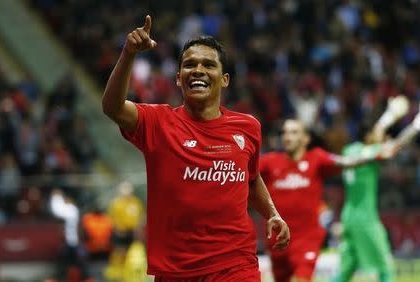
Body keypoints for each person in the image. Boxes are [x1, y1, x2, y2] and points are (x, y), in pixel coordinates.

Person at [101, 15, 290, 281]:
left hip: (235, 264)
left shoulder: (248, 127)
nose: (198, 69)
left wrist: (272, 213)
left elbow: (251, 177)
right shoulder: (158, 122)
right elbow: (112, 107)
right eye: (190, 65)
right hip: (176, 271)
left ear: (224, 79)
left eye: (208, 65)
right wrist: (129, 54)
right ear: (179, 79)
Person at [259, 118, 396, 282]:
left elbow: (346, 162)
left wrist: (376, 154)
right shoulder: (269, 162)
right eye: (285, 132)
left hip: (306, 239)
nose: (287, 137)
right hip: (277, 240)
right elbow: (246, 175)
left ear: (306, 139)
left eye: (294, 132)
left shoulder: (317, 159)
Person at [334, 97, 420, 282]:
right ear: (369, 137)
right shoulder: (370, 153)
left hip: (348, 218)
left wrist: (389, 116)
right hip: (366, 219)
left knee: (346, 272)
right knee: (386, 270)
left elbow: (372, 134)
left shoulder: (349, 150)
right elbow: (396, 145)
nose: (383, 136)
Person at [45, 189, 93, 282]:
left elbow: (57, 210)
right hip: (70, 242)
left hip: (74, 242)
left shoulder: (71, 209)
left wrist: (56, 197)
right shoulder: (71, 209)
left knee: (78, 261)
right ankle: (57, 278)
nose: (65, 201)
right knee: (64, 261)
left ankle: (87, 279)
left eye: (65, 199)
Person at [105, 181, 144, 281]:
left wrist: (138, 229)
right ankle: (118, 275)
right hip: (120, 233)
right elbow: (112, 218)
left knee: (132, 253)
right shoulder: (117, 203)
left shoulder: (136, 202)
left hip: (132, 232)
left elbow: (140, 217)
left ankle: (129, 274)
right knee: (119, 254)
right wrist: (117, 228)